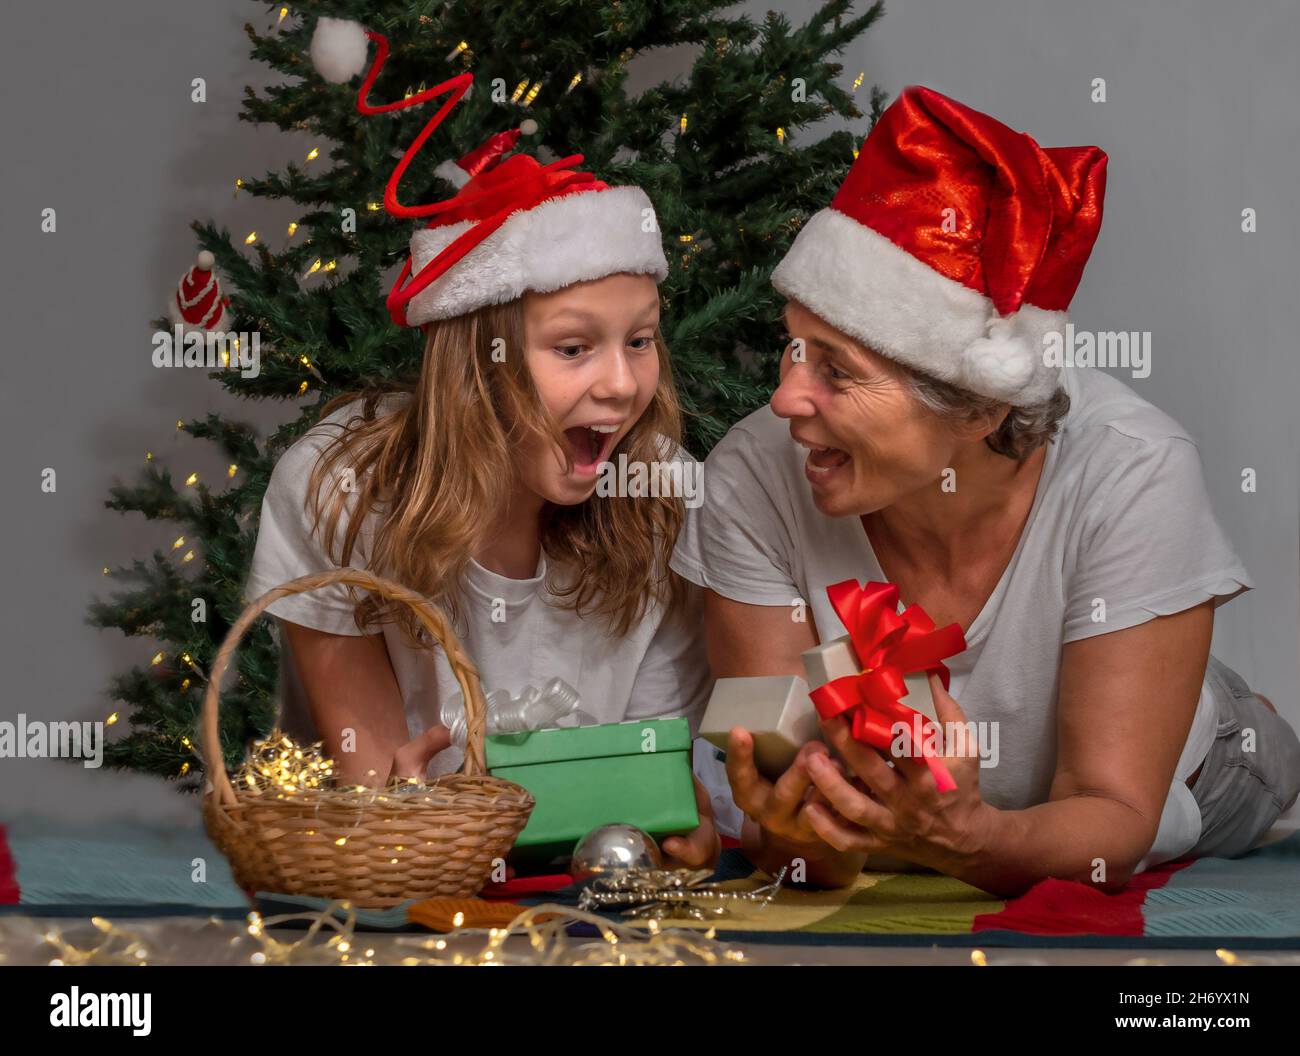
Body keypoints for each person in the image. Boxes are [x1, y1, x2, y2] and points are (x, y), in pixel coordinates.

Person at [672, 85, 1300, 895]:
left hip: (1198, 773)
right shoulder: (751, 475)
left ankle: (1231, 708)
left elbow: (1113, 814)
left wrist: (967, 841)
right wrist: (803, 834)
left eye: (836, 370)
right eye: (793, 350)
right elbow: (787, 812)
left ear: (977, 408)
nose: (787, 399)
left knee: (1251, 755)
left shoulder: (1135, 467)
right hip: (960, 773)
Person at [245, 47, 723, 869]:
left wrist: (685, 826)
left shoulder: (656, 495)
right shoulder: (338, 489)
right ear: (481, 363)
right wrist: (398, 809)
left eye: (640, 340)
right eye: (574, 346)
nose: (622, 385)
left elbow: (653, 789)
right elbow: (384, 808)